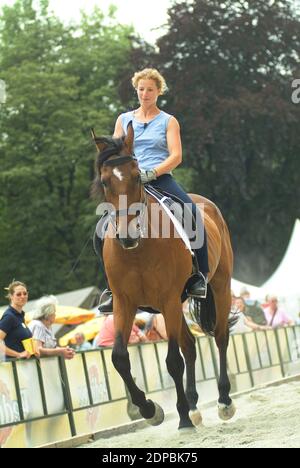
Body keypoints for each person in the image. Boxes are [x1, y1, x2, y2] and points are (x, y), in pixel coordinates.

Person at [98, 68, 209, 313]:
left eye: (150, 89)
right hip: (129, 182)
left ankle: (200, 276)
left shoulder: (169, 121)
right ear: (136, 91)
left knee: (191, 212)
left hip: (159, 178)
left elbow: (176, 155)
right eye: (141, 89)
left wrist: (153, 172)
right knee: (102, 227)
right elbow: (116, 152)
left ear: (159, 91)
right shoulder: (123, 119)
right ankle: (110, 287)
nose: (145, 93)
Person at [0, 281, 36, 360]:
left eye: (25, 293)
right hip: (16, 367)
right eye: (18, 294)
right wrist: (18, 354)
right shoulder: (9, 316)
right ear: (11, 296)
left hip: (26, 365)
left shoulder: (20, 316)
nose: (22, 296)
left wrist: (35, 350)